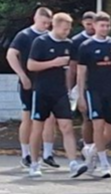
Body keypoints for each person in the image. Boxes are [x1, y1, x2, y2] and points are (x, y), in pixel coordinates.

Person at [25, 12, 86, 179]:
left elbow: (73, 67)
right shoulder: (41, 42)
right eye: (65, 29)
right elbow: (31, 65)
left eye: (69, 29)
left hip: (60, 91)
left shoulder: (69, 44)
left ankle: (73, 163)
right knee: (38, 127)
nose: (67, 32)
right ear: (55, 26)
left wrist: (71, 88)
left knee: (66, 126)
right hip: (43, 90)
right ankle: (34, 163)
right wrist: (53, 63)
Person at [74, 13, 111, 179]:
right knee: (98, 127)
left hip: (109, 91)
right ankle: (104, 164)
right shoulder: (85, 46)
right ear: (94, 26)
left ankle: (91, 150)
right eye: (102, 26)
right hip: (93, 91)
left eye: (108, 26)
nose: (105, 29)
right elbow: (81, 74)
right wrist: (80, 96)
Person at [7, 7, 52, 170]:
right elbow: (11, 55)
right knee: (28, 117)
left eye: (48, 23)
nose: (46, 26)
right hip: (29, 82)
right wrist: (22, 75)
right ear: (35, 18)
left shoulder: (49, 37)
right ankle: (25, 153)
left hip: (46, 84)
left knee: (47, 119)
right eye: (43, 22)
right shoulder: (24, 35)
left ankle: (46, 153)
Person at [69, 11, 97, 155]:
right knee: (87, 116)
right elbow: (73, 66)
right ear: (83, 24)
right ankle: (87, 145)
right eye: (88, 24)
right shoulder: (77, 41)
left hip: (99, 83)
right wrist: (70, 87)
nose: (91, 27)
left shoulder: (104, 39)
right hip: (83, 83)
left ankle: (92, 144)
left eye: (93, 23)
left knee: (98, 119)